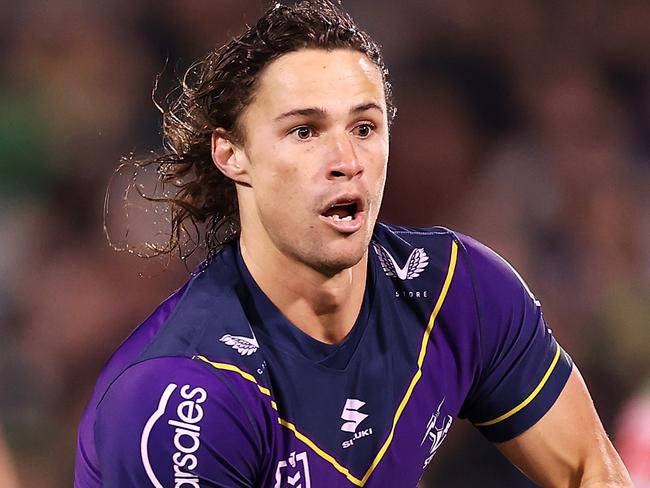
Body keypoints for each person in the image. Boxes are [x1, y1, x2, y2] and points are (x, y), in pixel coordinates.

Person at [74, 1, 632, 486]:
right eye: (304, 131)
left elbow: (591, 468)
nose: (346, 162)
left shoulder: (457, 290)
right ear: (231, 155)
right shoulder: (182, 397)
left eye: (364, 128)